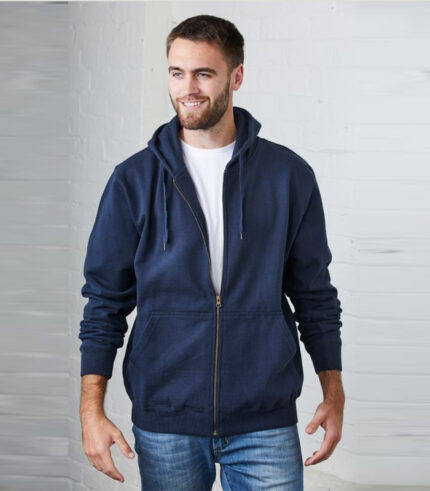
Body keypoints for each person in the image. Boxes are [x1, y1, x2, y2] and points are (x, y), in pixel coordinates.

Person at [78, 14, 345, 491]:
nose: (188, 88)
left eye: (203, 73)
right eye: (177, 73)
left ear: (236, 77)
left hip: (264, 419)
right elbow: (104, 301)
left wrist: (333, 391)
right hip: (166, 419)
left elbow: (314, 293)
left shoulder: (288, 176)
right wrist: (90, 411)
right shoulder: (134, 179)